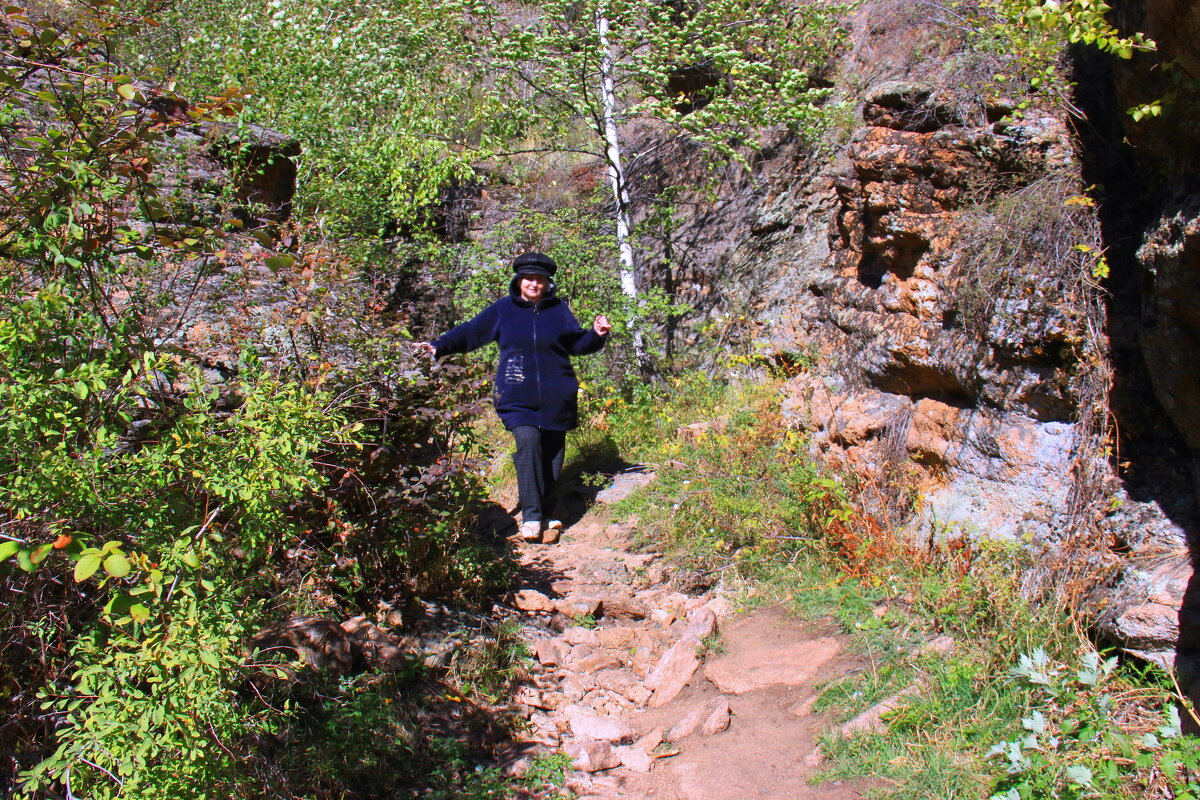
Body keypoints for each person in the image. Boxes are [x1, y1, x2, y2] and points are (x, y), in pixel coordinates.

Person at [420, 252, 612, 542]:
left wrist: (596, 334)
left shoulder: (559, 310)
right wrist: (440, 346)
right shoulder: (503, 309)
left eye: (541, 279)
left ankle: (550, 510)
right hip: (515, 395)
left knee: (551, 456)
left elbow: (577, 343)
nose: (534, 284)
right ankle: (532, 517)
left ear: (548, 283)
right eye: (529, 278)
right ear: (519, 280)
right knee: (527, 442)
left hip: (557, 395)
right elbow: (472, 331)